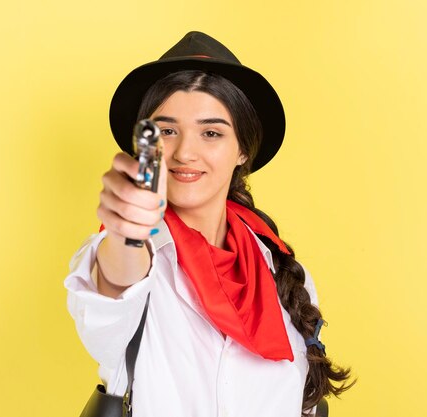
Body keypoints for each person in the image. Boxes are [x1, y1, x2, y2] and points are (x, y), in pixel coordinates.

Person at [64, 31, 353, 417]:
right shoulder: (130, 253)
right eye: (166, 131)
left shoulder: (284, 270)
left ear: (242, 150)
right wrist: (127, 233)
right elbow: (113, 294)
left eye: (211, 133)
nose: (185, 152)